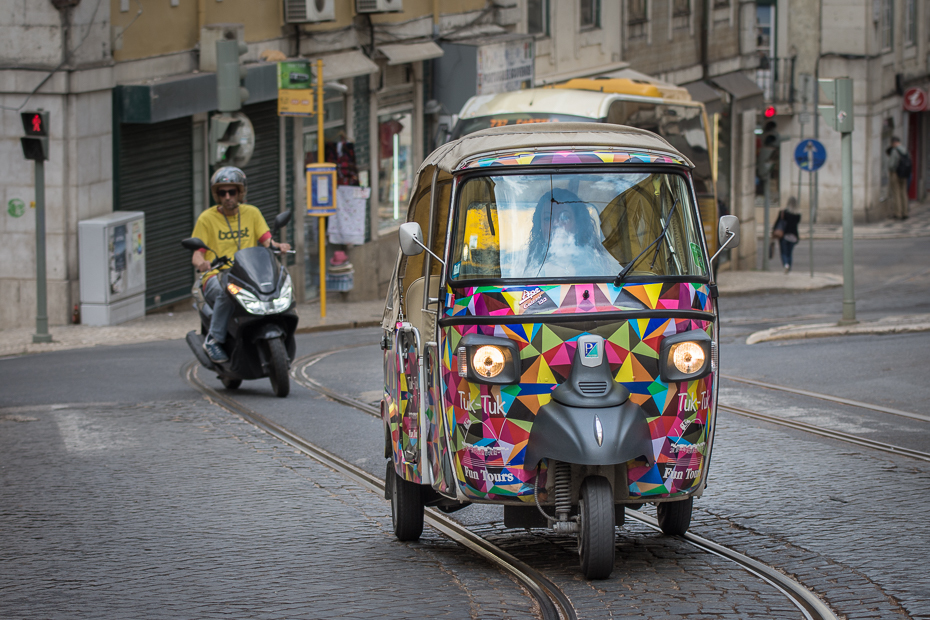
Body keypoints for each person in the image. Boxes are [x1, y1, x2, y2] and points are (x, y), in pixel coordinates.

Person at [190, 167, 291, 363]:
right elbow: (196, 254)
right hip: (216, 276)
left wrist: (280, 247)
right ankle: (213, 340)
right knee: (227, 291)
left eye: (232, 192)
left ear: (241, 192)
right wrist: (202, 263)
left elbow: (267, 242)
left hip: (248, 273)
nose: (227, 197)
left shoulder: (252, 213)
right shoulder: (206, 218)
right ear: (217, 195)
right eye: (222, 193)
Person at [522, 188, 620, 277]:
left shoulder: (598, 262)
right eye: (547, 218)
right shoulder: (531, 268)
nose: (556, 223)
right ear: (540, 227)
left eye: (565, 217)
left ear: (577, 225)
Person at [772, 197, 801, 274]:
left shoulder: (783, 213)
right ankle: (789, 268)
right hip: (793, 236)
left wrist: (773, 232)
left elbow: (777, 223)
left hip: (784, 235)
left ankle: (786, 265)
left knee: (783, 253)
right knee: (789, 253)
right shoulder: (797, 215)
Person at [887, 136, 910, 220]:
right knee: (903, 192)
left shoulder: (895, 151)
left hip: (896, 173)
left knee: (896, 193)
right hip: (904, 174)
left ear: (894, 143)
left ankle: (898, 213)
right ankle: (905, 212)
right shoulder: (905, 150)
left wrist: (891, 170)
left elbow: (891, 164)